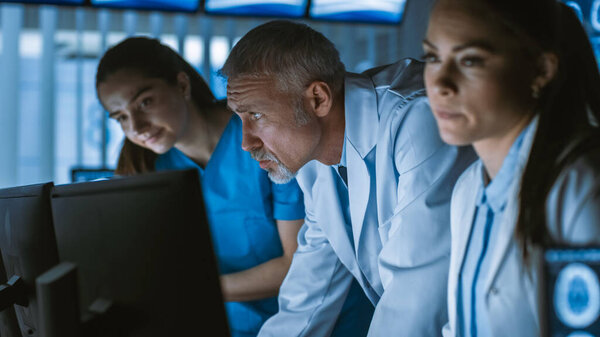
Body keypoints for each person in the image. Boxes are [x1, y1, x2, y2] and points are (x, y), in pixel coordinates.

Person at [222, 20, 476, 336]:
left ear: (317, 99)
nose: (246, 142)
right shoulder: (314, 160)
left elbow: (416, 294)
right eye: (240, 119)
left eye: (256, 116)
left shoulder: (416, 119)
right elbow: (309, 295)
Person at [94, 37, 306, 337]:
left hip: (308, 322)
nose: (137, 127)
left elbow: (297, 263)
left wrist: (196, 290)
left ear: (182, 85)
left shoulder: (262, 136)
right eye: (121, 118)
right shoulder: (148, 170)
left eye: (145, 102)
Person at [422, 0, 600, 336]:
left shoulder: (582, 190)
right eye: (433, 57)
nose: (440, 83)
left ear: (541, 70)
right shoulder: (469, 189)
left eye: (470, 60)